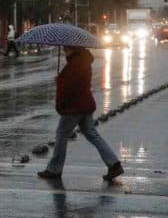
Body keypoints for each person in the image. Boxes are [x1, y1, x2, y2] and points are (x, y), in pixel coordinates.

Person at [38, 45, 123, 181]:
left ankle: (54, 169)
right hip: (85, 104)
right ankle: (114, 164)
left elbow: (70, 86)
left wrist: (60, 81)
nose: (65, 52)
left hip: (74, 106)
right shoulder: (82, 60)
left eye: (67, 49)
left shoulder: (75, 64)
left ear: (74, 49)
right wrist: (61, 79)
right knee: (92, 134)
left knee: (61, 135)